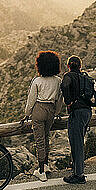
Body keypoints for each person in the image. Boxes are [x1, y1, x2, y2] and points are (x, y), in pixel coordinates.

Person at [23, 50, 63, 182]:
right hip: (51, 110)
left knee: (39, 140)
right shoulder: (58, 81)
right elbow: (59, 99)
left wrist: (27, 114)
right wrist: (56, 112)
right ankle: (46, 165)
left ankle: (41, 171)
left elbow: (31, 99)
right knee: (46, 138)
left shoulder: (37, 81)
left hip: (39, 109)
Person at [61, 55, 92, 184]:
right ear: (80, 66)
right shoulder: (85, 76)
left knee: (76, 143)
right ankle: (77, 169)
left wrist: (68, 102)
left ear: (68, 66)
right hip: (87, 112)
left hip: (77, 113)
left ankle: (79, 175)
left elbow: (64, 86)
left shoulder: (68, 76)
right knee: (79, 140)